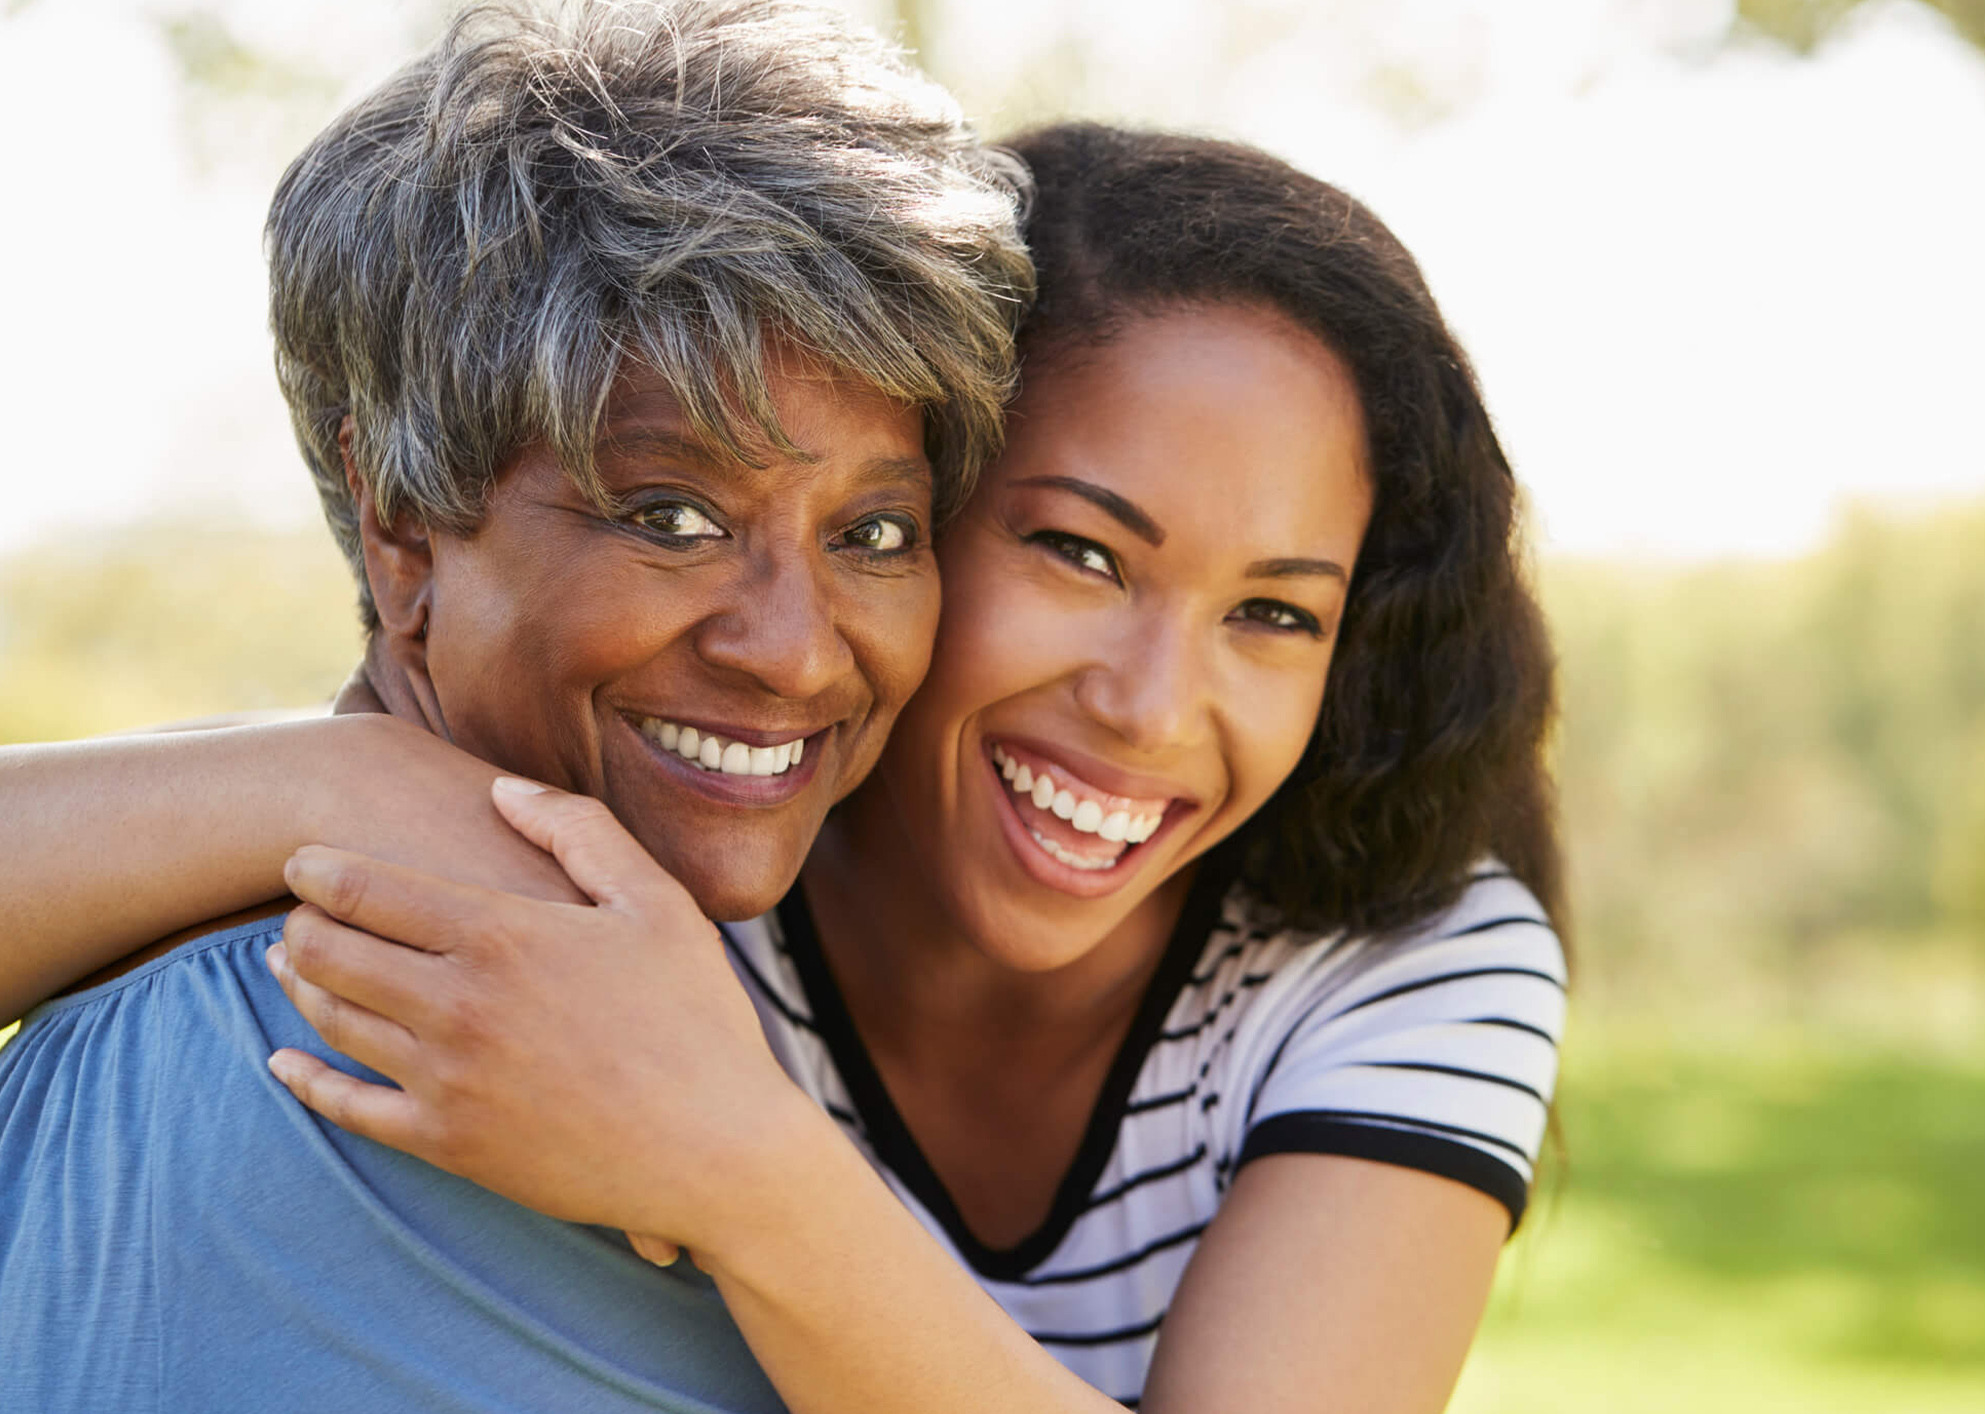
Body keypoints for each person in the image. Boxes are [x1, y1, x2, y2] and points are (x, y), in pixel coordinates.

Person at [1, 116, 1565, 1412]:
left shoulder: (1406, 963)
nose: (1155, 707)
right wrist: (353, 785)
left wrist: (736, 1165)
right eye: (1079, 552)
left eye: (1274, 611)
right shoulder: (717, 809)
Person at [0, 2, 1033, 1409]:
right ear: (404, 525)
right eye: (668, 515)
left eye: (872, 533)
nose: (795, 654)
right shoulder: (325, 1077)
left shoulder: (648, 1009)